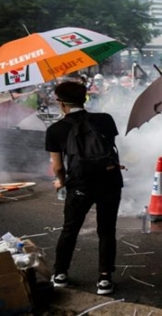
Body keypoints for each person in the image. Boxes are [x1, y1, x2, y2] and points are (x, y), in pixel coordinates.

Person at [45, 81, 124, 295]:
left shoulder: (55, 130)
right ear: (85, 98)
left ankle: (60, 274)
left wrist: (60, 180)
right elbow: (108, 149)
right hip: (109, 181)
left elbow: (58, 166)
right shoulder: (105, 119)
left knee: (70, 228)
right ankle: (105, 280)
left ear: (60, 103)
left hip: (79, 185)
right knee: (107, 230)